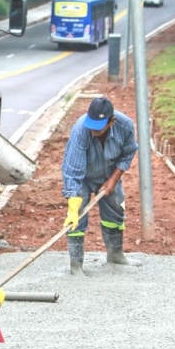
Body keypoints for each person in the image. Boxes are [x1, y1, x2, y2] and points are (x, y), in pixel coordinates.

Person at [61, 96, 140, 275]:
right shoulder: (81, 130)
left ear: (111, 121)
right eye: (92, 125)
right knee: (77, 217)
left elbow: (128, 153)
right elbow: (72, 169)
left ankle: (115, 255)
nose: (93, 130)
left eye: (98, 127)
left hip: (108, 174)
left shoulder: (124, 125)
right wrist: (73, 205)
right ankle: (76, 265)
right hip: (82, 178)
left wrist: (112, 180)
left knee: (115, 208)